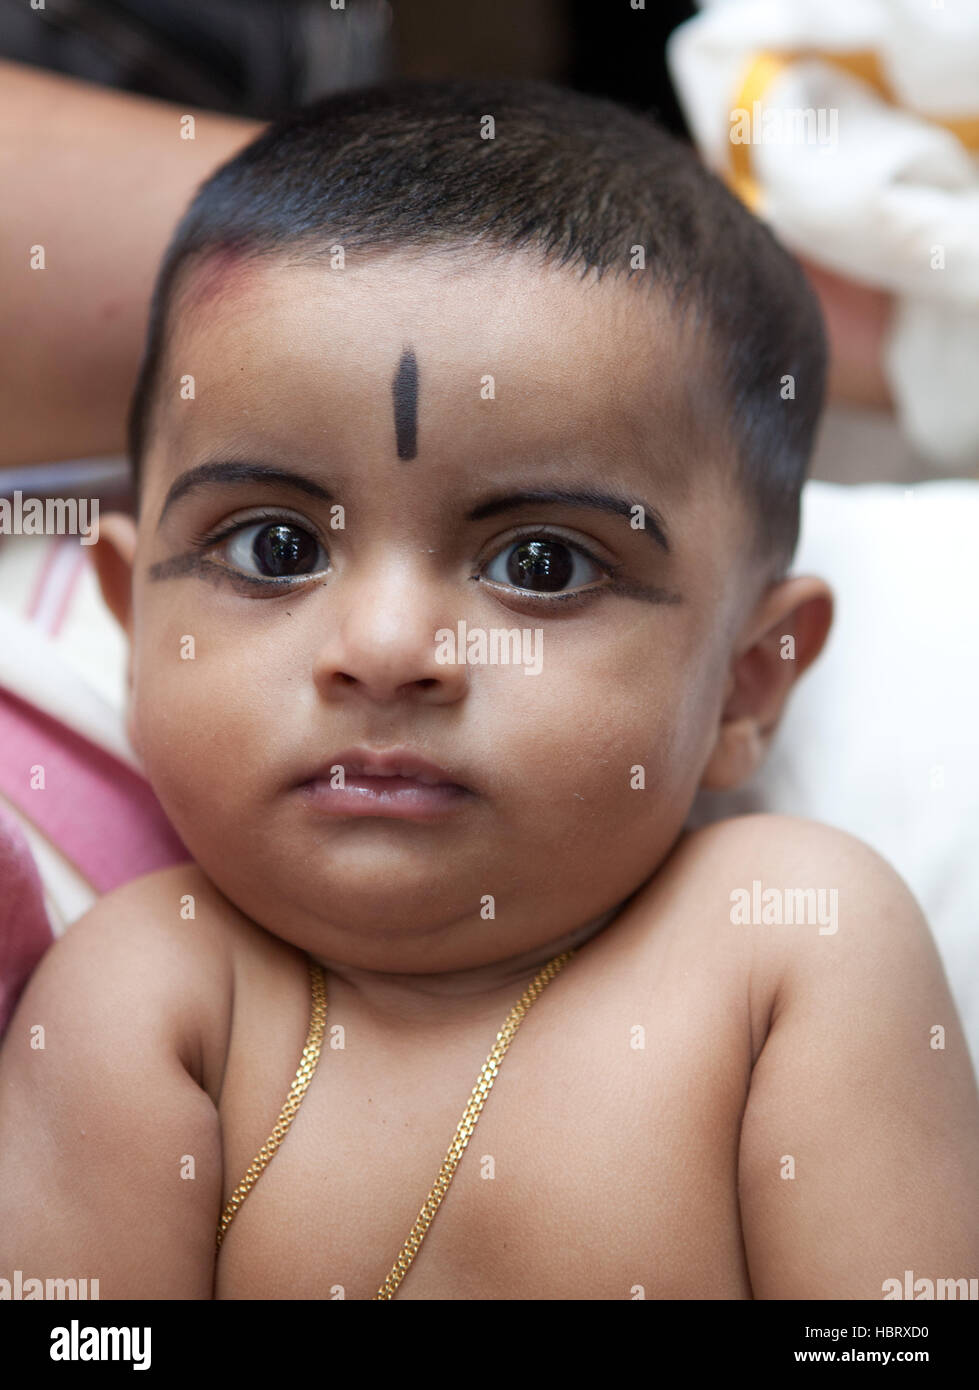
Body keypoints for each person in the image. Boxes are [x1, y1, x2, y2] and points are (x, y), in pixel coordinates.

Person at [1, 78, 976, 1301]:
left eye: (541, 565)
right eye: (275, 548)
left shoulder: (786, 943)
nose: (389, 647)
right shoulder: (144, 996)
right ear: (136, 619)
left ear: (745, 684)